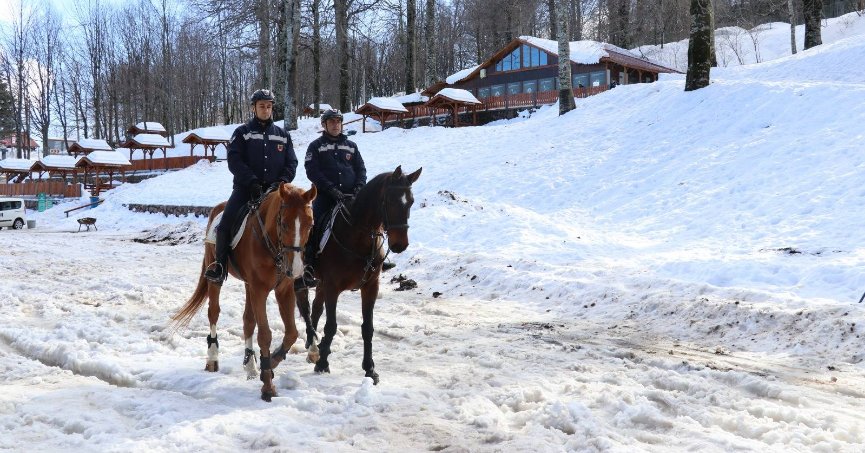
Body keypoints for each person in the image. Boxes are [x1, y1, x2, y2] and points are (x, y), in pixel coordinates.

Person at [204, 88, 298, 284]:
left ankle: (301, 267)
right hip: (246, 190)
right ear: (253, 108)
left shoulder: (283, 135)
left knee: (299, 222)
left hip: (275, 193)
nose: (266, 109)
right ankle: (220, 266)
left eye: (269, 106)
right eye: (262, 106)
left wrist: (280, 183)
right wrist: (252, 181)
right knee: (224, 225)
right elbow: (235, 161)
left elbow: (291, 163)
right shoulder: (242, 133)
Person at [298, 109, 368, 288]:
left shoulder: (352, 146)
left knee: (370, 221)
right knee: (313, 225)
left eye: (338, 121)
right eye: (332, 122)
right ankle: (309, 266)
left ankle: (373, 259)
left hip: (352, 197)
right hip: (326, 197)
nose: (336, 125)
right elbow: (312, 171)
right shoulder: (315, 146)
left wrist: (359, 187)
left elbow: (361, 169)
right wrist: (330, 189)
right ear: (324, 125)